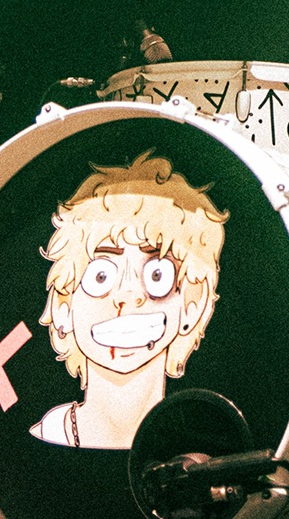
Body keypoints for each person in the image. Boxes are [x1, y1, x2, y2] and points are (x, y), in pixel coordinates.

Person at [31, 150, 227, 449]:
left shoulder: (199, 441)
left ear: (192, 307)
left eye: (157, 275)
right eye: (101, 276)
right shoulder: (52, 431)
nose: (128, 295)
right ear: (62, 308)